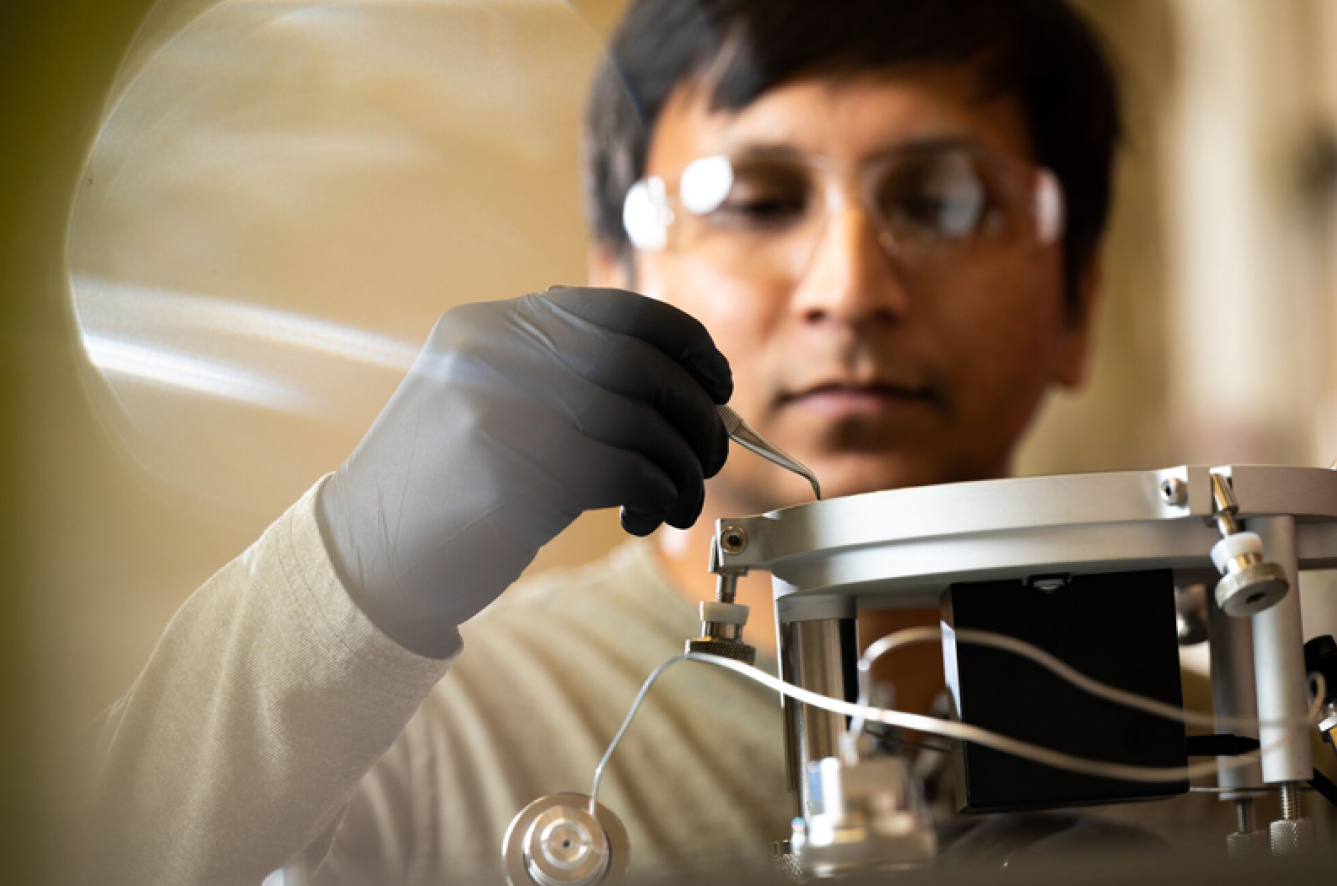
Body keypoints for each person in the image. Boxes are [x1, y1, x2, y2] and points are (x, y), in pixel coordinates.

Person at [89, 1, 1128, 882]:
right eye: (759, 201)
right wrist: (351, 577)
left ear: (1078, 299)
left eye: (942, 202)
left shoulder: (1226, 704)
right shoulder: (410, 727)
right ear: (620, 277)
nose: (849, 290)